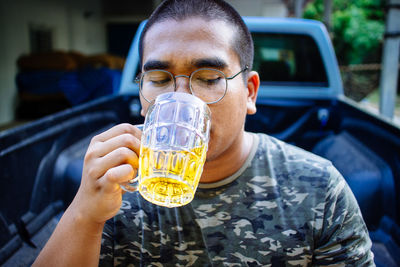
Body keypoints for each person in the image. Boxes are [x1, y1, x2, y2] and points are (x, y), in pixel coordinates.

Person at [33, 0, 375, 266]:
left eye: (209, 78)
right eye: (159, 80)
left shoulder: (319, 189)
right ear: (141, 95)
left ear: (251, 92)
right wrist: (84, 215)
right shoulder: (112, 187)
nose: (181, 99)